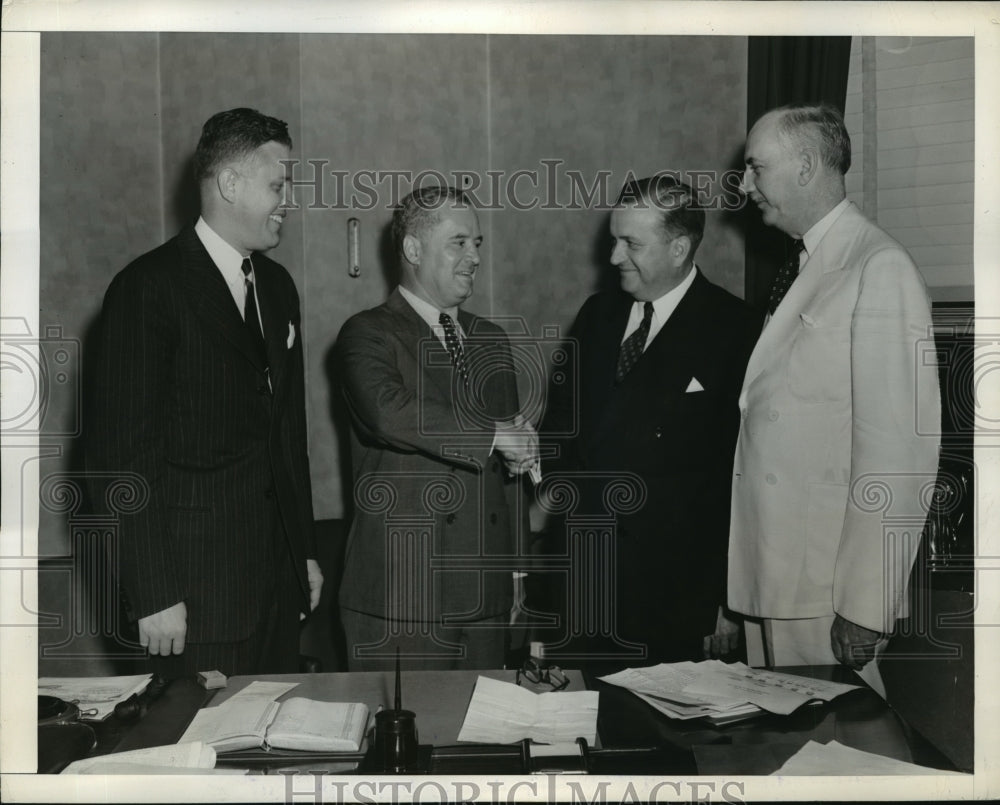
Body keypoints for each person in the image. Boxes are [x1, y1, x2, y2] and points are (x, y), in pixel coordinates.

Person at [86, 108, 323, 676]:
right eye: (277, 184)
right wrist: (152, 592)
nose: (287, 199)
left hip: (276, 592)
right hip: (190, 601)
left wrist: (304, 554)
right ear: (230, 184)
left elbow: (289, 438)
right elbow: (117, 459)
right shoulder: (148, 288)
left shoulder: (279, 287)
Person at [728, 103, 941, 682]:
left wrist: (866, 604)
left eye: (756, 168)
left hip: (825, 583)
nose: (745, 186)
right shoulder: (801, 264)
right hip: (775, 568)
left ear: (805, 167)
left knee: (836, 749)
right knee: (776, 753)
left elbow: (900, 453)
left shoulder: (879, 266)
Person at [538, 176, 761, 669]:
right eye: (614, 240)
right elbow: (559, 424)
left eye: (631, 243)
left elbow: (743, 480)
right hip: (580, 582)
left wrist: (728, 604)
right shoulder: (597, 314)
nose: (614, 257)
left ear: (679, 247)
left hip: (676, 599)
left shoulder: (736, 329)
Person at [335, 186, 538, 670]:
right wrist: (494, 433)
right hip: (402, 598)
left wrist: (515, 574)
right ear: (413, 249)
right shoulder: (367, 333)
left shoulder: (492, 339)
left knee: (485, 742)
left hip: (486, 597)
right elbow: (389, 411)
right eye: (459, 243)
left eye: (478, 244)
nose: (474, 257)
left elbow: (510, 479)